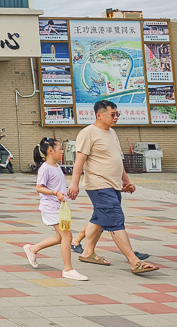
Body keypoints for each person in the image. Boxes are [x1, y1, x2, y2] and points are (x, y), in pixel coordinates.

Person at [67, 100, 158, 275]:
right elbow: (80, 160)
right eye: (112, 114)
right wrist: (74, 183)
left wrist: (125, 181)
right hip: (99, 185)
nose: (116, 117)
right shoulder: (88, 133)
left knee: (99, 218)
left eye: (117, 114)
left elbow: (117, 159)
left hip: (113, 185)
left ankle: (87, 252)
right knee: (116, 221)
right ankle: (134, 261)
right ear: (99, 115)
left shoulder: (112, 132)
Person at [23, 138, 87, 280]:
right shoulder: (45, 168)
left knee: (60, 237)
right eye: (60, 149)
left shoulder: (57, 167)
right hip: (50, 207)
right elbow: (39, 187)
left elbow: (58, 186)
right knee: (67, 236)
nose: (62, 151)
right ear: (51, 151)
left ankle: (32, 249)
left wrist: (65, 194)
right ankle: (68, 269)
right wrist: (55, 193)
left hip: (59, 207)